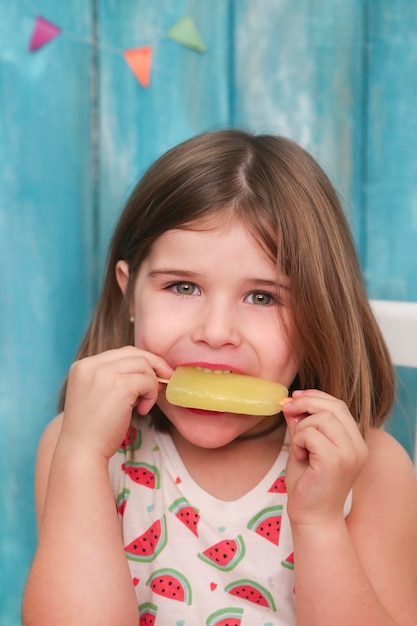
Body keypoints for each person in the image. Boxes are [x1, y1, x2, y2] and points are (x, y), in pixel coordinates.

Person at [22, 130, 417, 626]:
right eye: (182, 286)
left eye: (263, 297)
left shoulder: (370, 468)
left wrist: (318, 523)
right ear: (130, 296)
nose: (216, 333)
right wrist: (80, 455)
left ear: (319, 315)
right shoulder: (81, 448)